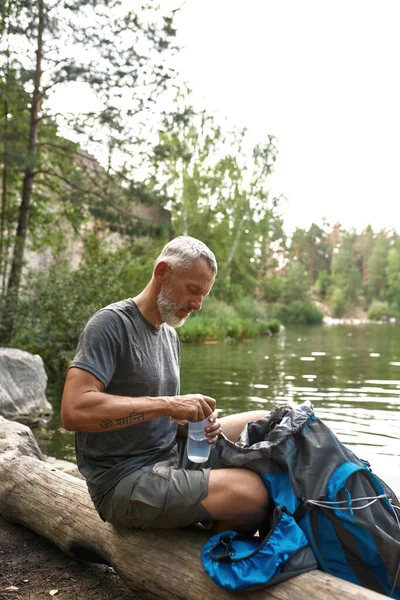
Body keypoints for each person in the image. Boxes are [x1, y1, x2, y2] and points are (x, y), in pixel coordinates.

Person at [61, 236, 269, 533]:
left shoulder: (170, 336)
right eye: (193, 290)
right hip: (124, 481)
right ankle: (206, 560)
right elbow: (73, 411)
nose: (197, 304)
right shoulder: (110, 324)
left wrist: (189, 421)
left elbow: (153, 417)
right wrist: (169, 404)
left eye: (203, 295)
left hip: (170, 455)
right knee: (252, 492)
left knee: (266, 423)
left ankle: (214, 541)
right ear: (162, 273)